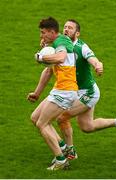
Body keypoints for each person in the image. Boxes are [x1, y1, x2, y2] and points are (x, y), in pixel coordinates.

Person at [56, 19, 116, 159]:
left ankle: (70, 151)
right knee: (87, 126)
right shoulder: (61, 44)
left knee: (62, 117)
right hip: (74, 91)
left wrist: (98, 65)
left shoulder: (81, 47)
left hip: (88, 93)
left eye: (70, 28)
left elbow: (93, 59)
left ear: (77, 33)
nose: (66, 30)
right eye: (65, 27)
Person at [28, 17, 78, 170]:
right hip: (60, 89)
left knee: (42, 124)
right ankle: (63, 147)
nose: (41, 36)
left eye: (43, 33)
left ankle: (61, 160)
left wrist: (41, 57)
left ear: (51, 32)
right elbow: (48, 71)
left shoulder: (61, 43)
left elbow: (61, 57)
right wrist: (37, 93)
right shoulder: (56, 42)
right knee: (35, 118)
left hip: (65, 91)